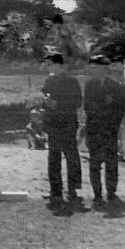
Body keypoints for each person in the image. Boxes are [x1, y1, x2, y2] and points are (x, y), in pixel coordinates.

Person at [84, 55, 125, 209]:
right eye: (91, 67)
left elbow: (120, 108)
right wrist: (102, 107)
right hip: (94, 130)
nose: (92, 70)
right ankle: (97, 194)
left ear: (103, 68)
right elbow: (88, 107)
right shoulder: (89, 85)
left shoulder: (116, 87)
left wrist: (112, 123)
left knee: (111, 164)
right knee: (95, 164)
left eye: (95, 67)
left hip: (109, 130)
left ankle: (111, 192)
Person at [40, 53, 83, 207]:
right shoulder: (49, 81)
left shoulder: (72, 81)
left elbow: (77, 102)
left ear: (59, 65)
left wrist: (57, 104)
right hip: (53, 125)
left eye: (50, 64)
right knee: (54, 159)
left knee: (71, 157)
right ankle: (55, 191)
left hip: (67, 124)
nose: (48, 67)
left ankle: (73, 189)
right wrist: (46, 104)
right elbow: (45, 97)